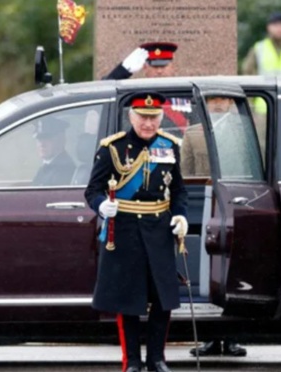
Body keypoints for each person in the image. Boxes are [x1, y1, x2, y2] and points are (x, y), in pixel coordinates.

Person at [85, 92, 188, 372]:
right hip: (126, 230)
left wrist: (180, 215)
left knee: (162, 299)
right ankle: (132, 361)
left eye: (154, 118)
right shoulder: (113, 148)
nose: (148, 123)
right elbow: (92, 190)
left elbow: (178, 190)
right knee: (128, 299)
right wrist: (102, 205)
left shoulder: (170, 146)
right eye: (143, 117)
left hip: (159, 231)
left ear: (161, 118)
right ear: (132, 116)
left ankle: (157, 359)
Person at [181, 96, 248, 357]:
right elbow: (185, 171)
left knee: (232, 268)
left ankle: (232, 336)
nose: (219, 104)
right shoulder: (194, 134)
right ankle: (210, 336)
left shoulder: (242, 132)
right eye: (214, 100)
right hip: (205, 204)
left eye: (224, 99)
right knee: (208, 269)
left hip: (234, 202)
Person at [103, 42, 190, 135]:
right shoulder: (135, 95)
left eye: (163, 66)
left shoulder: (186, 93)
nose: (159, 71)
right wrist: (122, 71)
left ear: (173, 67)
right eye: (155, 66)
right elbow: (104, 91)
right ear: (145, 67)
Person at [31, 119, 75, 186]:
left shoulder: (64, 171)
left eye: (47, 138)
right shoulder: (47, 168)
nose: (42, 144)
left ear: (61, 139)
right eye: (39, 139)